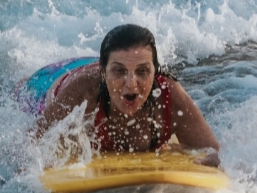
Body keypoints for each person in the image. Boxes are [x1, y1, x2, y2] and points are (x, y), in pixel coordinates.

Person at [16, 24, 220, 166]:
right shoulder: (84, 92)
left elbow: (214, 151)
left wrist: (212, 161)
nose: (131, 84)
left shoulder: (170, 97)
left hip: (106, 59)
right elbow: (29, 143)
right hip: (50, 81)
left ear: (155, 71)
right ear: (103, 73)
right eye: (120, 72)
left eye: (142, 71)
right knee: (19, 92)